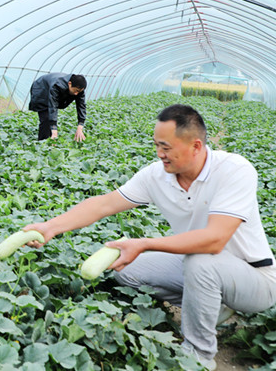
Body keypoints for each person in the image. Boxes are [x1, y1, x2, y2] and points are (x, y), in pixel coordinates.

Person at [23, 104, 276, 370]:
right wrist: (51, 227)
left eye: (166, 147)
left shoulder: (234, 169)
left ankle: (198, 357)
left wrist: (144, 244)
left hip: (256, 280)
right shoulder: (156, 175)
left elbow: (215, 240)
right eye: (156, 145)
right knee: (126, 268)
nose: (159, 154)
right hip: (204, 268)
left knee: (201, 262)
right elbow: (103, 205)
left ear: (196, 146)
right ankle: (215, 309)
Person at [28, 73, 87, 141]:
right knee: (46, 118)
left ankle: (50, 139)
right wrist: (54, 130)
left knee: (49, 120)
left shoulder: (79, 90)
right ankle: (43, 142)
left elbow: (81, 106)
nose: (76, 94)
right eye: (76, 90)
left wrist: (80, 127)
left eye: (79, 91)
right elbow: (53, 106)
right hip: (41, 89)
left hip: (49, 86)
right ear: (70, 84)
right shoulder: (57, 85)